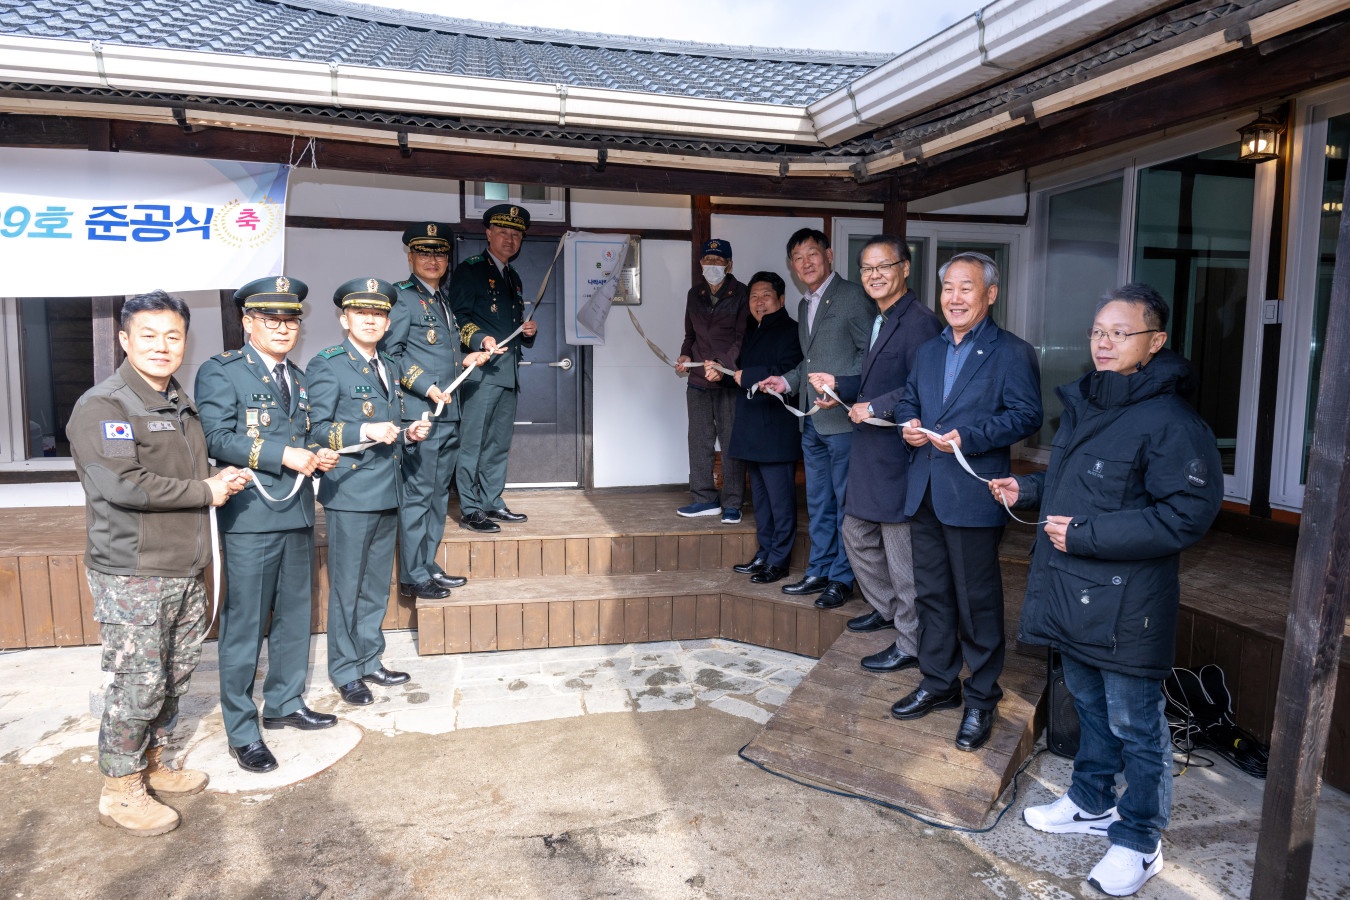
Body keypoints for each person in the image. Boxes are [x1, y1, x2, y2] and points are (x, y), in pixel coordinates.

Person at [991, 284, 1222, 897]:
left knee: (1135, 722)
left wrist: (1089, 534)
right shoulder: (1091, 404)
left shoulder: (1173, 422)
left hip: (1129, 604)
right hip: (1074, 590)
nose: (1103, 341)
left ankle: (1140, 839)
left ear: (1156, 343)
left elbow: (1187, 515)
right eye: (1098, 330)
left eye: (1120, 332)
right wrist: (1028, 491)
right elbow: (1078, 486)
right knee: (1089, 704)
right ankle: (1091, 801)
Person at [70, 290, 251, 835]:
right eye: (147, 335)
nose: (161, 346)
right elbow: (122, 484)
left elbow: (188, 473)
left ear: (185, 342)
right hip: (133, 570)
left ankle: (154, 762)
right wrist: (204, 490)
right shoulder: (105, 406)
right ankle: (120, 789)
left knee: (174, 675)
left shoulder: (179, 401)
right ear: (124, 340)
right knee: (138, 681)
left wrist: (223, 479)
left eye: (173, 336)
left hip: (183, 564)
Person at [892, 251, 1042, 752]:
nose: (954, 298)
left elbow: (1026, 416)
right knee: (932, 593)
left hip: (973, 490)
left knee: (977, 602)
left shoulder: (1012, 352)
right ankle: (939, 684)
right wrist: (910, 424)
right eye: (948, 289)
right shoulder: (929, 350)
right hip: (926, 489)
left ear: (990, 295)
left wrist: (968, 436)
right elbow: (911, 397)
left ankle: (981, 696)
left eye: (966, 288)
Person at [196, 276, 340, 774]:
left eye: (291, 319)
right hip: (250, 517)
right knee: (245, 626)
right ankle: (242, 730)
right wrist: (286, 454)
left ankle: (284, 703)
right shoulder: (222, 372)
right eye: (270, 319)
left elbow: (303, 433)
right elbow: (216, 436)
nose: (283, 328)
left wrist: (317, 453)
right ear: (247, 322)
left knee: (294, 617)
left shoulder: (297, 379)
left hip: (296, 511)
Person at [809, 235, 942, 668]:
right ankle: (888, 611)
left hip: (898, 455)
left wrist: (878, 406)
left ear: (905, 268)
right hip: (871, 451)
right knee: (857, 535)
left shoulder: (919, 321)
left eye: (884, 266)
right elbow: (874, 380)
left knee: (902, 555)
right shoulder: (882, 318)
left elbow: (928, 387)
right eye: (867, 269)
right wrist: (841, 390)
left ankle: (910, 642)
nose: (874, 275)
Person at [307, 278, 434, 706]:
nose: (371, 320)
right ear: (344, 318)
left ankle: (369, 658)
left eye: (378, 314)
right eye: (361, 313)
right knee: (348, 583)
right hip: (351, 491)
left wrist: (410, 433)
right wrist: (365, 430)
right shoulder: (328, 363)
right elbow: (317, 429)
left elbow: (392, 424)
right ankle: (345, 670)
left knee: (376, 583)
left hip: (388, 487)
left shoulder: (390, 366)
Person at [755, 228, 872, 609]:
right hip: (811, 422)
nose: (806, 263)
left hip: (841, 421)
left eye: (812, 254)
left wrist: (839, 388)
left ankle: (842, 577)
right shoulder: (805, 304)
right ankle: (819, 569)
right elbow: (809, 363)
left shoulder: (853, 296)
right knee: (819, 503)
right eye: (798, 258)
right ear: (791, 265)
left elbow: (869, 355)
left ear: (829, 255)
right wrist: (785, 382)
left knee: (843, 503)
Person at [380, 222, 482, 600]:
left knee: (439, 495)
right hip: (420, 415)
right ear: (410, 257)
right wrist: (427, 386)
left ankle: (426, 563)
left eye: (439, 253)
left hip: (447, 413)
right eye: (424, 253)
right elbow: (393, 355)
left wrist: (467, 358)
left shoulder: (442, 299)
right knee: (419, 495)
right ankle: (411, 575)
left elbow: (444, 354)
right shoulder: (402, 298)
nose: (433, 259)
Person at [706, 271, 802, 583]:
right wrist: (722, 373)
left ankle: (780, 560)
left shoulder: (792, 331)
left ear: (782, 299)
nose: (759, 302)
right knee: (760, 500)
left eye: (766, 296)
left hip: (775, 431)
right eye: (754, 297)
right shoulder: (753, 330)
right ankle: (765, 552)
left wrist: (745, 376)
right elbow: (739, 373)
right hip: (751, 428)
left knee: (780, 501)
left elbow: (787, 373)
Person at [451, 204, 538, 533]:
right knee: (472, 442)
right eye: (503, 231)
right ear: (488, 233)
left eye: (516, 234)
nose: (510, 238)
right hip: (480, 373)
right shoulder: (470, 270)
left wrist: (528, 332)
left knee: (498, 443)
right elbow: (458, 318)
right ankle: (470, 508)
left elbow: (511, 325)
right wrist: (480, 339)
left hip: (508, 373)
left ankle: (491, 500)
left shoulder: (512, 277)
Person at [676, 238, 749, 523]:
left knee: (731, 442)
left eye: (719, 262)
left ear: (729, 264)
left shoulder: (742, 294)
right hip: (697, 382)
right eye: (708, 261)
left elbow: (743, 339)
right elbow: (689, 336)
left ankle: (732, 502)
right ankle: (704, 499)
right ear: (700, 264)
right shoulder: (694, 294)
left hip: (728, 381)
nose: (713, 266)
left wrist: (722, 365)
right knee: (699, 440)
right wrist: (684, 356)